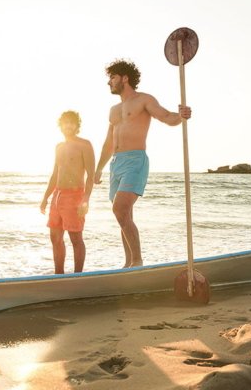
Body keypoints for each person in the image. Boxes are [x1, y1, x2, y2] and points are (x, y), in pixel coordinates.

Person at [94, 59, 191, 268]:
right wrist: (98, 168)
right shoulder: (113, 110)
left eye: (112, 77)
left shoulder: (143, 100)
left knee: (120, 210)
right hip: (116, 163)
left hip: (135, 160)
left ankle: (137, 262)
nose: (109, 82)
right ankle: (128, 263)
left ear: (125, 78)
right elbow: (108, 142)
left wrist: (181, 116)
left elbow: (166, 117)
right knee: (124, 216)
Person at [40, 111, 95, 274]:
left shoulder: (85, 144)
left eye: (72, 123)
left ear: (77, 125)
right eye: (65, 123)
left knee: (75, 238)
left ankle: (78, 276)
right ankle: (59, 275)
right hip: (57, 196)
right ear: (60, 125)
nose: (68, 126)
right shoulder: (59, 146)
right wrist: (45, 198)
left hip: (74, 195)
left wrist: (86, 200)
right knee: (55, 238)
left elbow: (91, 175)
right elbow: (55, 174)